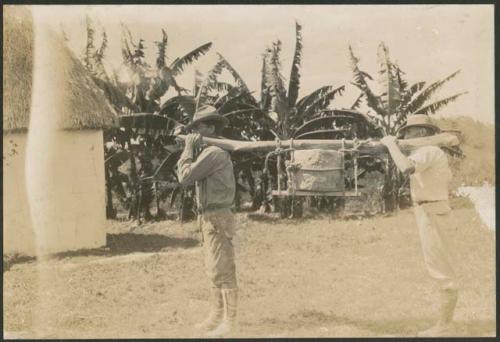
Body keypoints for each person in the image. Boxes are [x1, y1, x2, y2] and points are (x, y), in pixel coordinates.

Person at [380, 114, 458, 337]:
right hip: (430, 209)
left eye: (410, 132)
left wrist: (390, 144)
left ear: (422, 133)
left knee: (441, 267)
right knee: (438, 263)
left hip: (432, 210)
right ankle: (446, 323)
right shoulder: (432, 152)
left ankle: (446, 326)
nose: (406, 136)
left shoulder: (428, 151)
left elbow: (405, 167)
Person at [176, 105, 238, 337]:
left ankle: (230, 323)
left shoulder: (214, 153)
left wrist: (187, 150)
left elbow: (185, 177)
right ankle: (216, 316)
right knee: (213, 268)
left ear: (211, 128)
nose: (194, 133)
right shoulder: (208, 152)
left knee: (222, 268)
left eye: (198, 128)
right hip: (210, 216)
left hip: (218, 217)